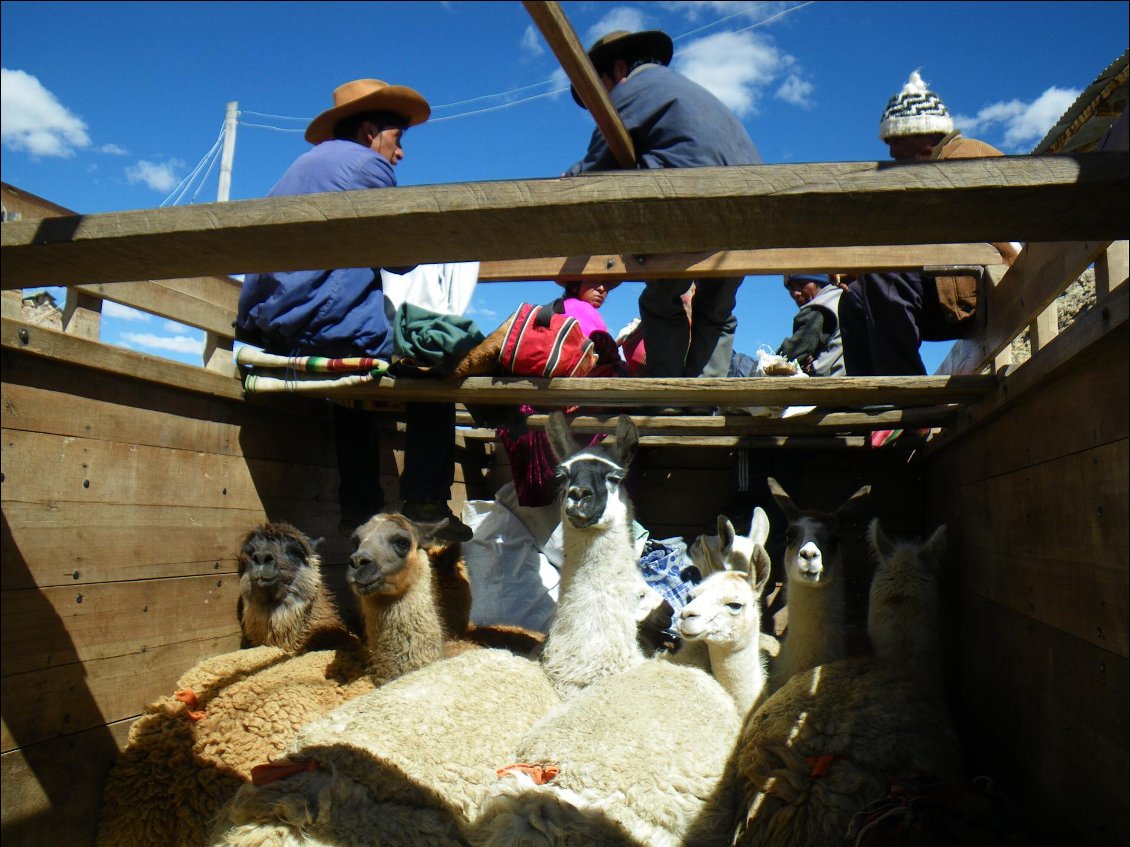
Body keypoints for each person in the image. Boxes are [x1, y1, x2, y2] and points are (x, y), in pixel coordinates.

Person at [236, 78, 472, 541]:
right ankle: (425, 504)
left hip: (273, 328)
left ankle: (359, 507)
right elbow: (399, 258)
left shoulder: (303, 166)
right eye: (397, 139)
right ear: (369, 131)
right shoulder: (366, 166)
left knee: (356, 373)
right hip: (320, 321)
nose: (400, 153)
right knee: (443, 353)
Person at [564, 29, 762, 385]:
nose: (602, 106)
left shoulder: (633, 88)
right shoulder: (685, 90)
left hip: (690, 209)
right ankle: (702, 402)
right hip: (748, 217)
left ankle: (670, 399)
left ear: (620, 68)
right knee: (716, 311)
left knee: (661, 301)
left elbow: (594, 170)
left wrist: (568, 176)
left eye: (601, 92)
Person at [838, 71, 1020, 376]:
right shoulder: (928, 170)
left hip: (988, 289)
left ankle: (911, 403)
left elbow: (920, 237)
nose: (892, 151)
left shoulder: (968, 158)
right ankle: (870, 408)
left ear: (925, 133)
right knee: (855, 299)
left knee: (883, 268)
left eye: (897, 139)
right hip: (950, 289)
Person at [776, 273, 846, 376]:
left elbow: (789, 355)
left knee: (743, 363)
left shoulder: (819, 308)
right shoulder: (841, 297)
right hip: (846, 380)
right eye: (791, 287)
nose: (795, 293)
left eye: (802, 284)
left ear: (819, 282)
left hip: (825, 386)